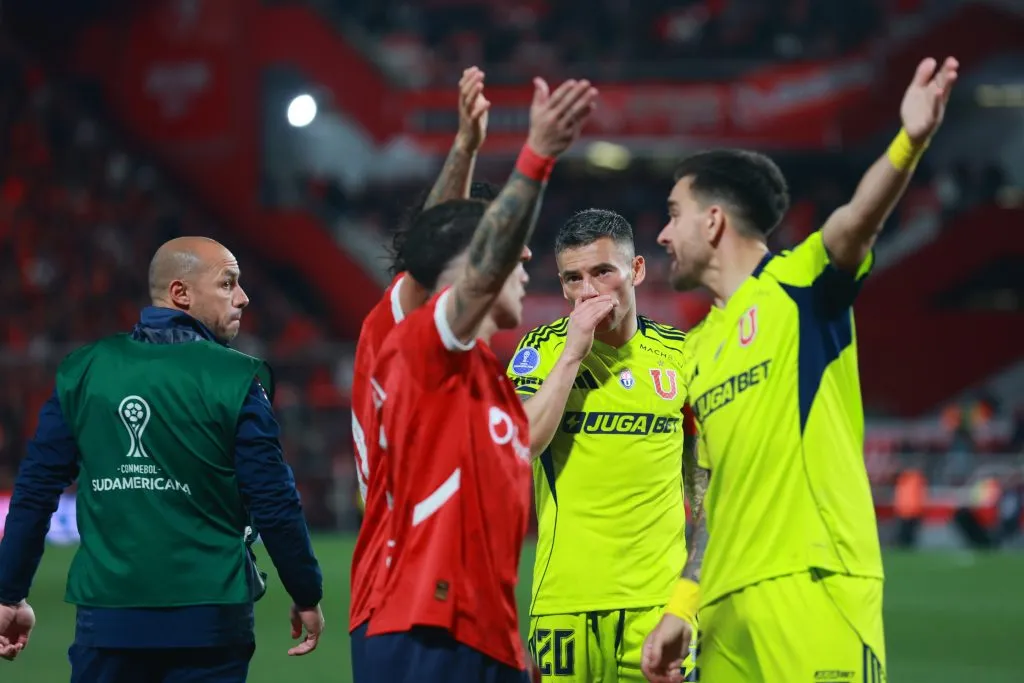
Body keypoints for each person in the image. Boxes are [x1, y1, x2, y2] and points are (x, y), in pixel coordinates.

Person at [641, 56, 959, 683]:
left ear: (713, 220)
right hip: (725, 613)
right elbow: (707, 493)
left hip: (813, 585)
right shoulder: (696, 349)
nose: (661, 234)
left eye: (673, 214)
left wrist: (909, 141)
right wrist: (684, 602)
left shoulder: (798, 284)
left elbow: (855, 222)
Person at [0, 237, 325, 682]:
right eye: (228, 283)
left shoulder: (85, 370)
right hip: (211, 623)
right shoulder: (236, 379)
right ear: (181, 294)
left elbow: (36, 489)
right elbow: (274, 499)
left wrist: (8, 594)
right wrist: (305, 592)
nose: (243, 298)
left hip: (109, 620)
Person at [363, 76, 598, 683]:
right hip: (421, 621)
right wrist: (535, 154)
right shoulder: (417, 343)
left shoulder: (484, 379)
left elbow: (526, 442)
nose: (523, 261)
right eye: (508, 249)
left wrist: (572, 353)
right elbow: (435, 253)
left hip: (483, 631)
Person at [505, 208, 703, 682]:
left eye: (602, 272)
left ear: (635, 271)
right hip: (565, 604)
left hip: (660, 605)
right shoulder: (540, 352)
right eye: (573, 278)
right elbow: (522, 444)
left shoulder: (682, 355)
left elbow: (704, 486)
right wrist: (574, 352)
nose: (588, 290)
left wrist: (691, 592)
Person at [348, 66, 493, 682]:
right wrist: (463, 148)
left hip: (476, 608)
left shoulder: (484, 365)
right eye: (495, 248)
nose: (520, 259)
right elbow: (428, 255)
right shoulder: (402, 334)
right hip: (403, 600)